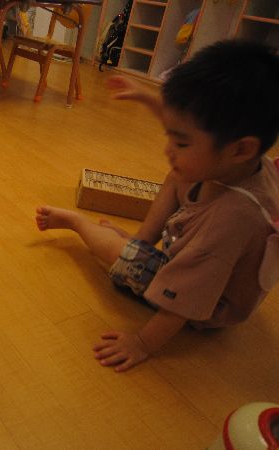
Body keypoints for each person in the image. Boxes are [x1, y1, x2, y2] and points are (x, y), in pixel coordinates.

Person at [36, 40, 279, 372]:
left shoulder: (231, 221)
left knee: (126, 258)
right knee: (178, 172)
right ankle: (143, 239)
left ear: (240, 149)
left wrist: (141, 343)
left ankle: (79, 224)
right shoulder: (247, 161)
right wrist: (149, 98)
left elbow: (185, 298)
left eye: (181, 143)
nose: (168, 148)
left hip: (209, 304)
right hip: (205, 266)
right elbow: (189, 123)